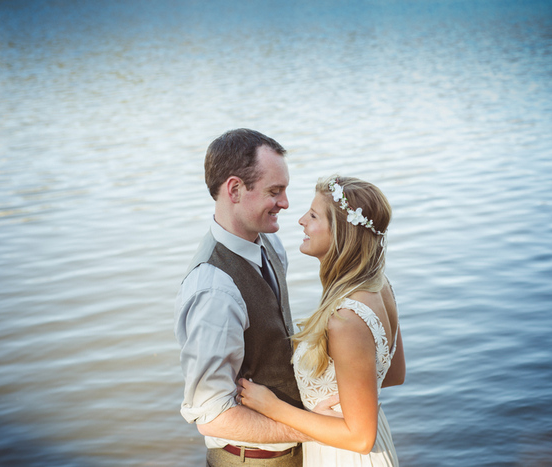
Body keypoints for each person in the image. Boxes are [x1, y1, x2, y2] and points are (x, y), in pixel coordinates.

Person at [238, 175, 406, 466]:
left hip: (344, 455)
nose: (301, 220)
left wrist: (273, 407)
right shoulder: (380, 285)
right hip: (367, 442)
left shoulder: (345, 320)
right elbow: (393, 373)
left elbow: (360, 439)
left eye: (313, 215)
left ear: (340, 233)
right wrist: (343, 403)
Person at [174, 129, 309, 466]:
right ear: (234, 189)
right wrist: (317, 430)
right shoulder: (214, 290)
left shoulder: (270, 243)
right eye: (274, 192)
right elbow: (212, 415)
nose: (285, 203)